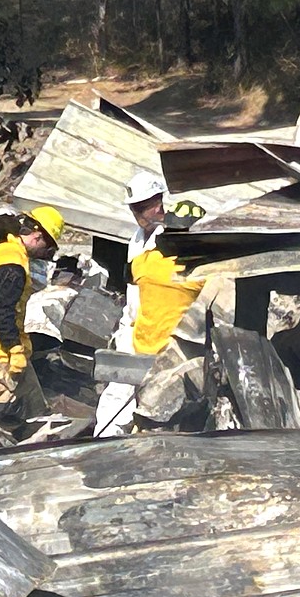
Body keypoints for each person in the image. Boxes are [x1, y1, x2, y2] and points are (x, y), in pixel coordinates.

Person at [94, 171, 204, 437]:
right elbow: (134, 294)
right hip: (140, 333)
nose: (139, 214)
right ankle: (105, 444)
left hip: (171, 344)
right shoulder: (139, 244)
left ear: (159, 202)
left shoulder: (169, 246)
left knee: (156, 407)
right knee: (118, 396)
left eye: (143, 207)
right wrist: (125, 331)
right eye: (135, 209)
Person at [0, 206, 64, 433]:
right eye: (48, 247)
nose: (46, 253)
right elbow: (2, 312)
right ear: (38, 236)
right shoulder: (12, 263)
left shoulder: (3, 251)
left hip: (5, 351)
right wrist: (14, 350)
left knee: (35, 411)